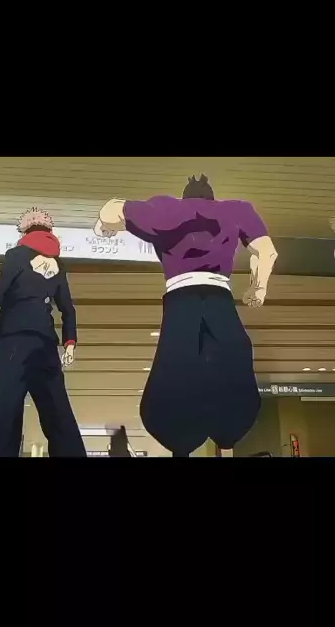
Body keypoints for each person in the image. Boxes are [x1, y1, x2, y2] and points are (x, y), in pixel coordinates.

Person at [94, 175, 278, 458]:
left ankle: (179, 443)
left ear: (184, 195)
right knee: (233, 360)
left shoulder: (164, 208)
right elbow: (267, 252)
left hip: (180, 297)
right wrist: (258, 287)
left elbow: (111, 210)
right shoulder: (237, 209)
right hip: (219, 295)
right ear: (212, 196)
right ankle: (227, 439)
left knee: (175, 365)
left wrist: (103, 227)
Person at [0, 207, 87, 458]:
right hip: (46, 342)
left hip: (15, 337)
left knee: (4, 405)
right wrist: (70, 342)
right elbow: (67, 308)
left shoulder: (17, 255)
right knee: (57, 409)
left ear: (24, 230)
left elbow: (0, 294)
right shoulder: (58, 264)